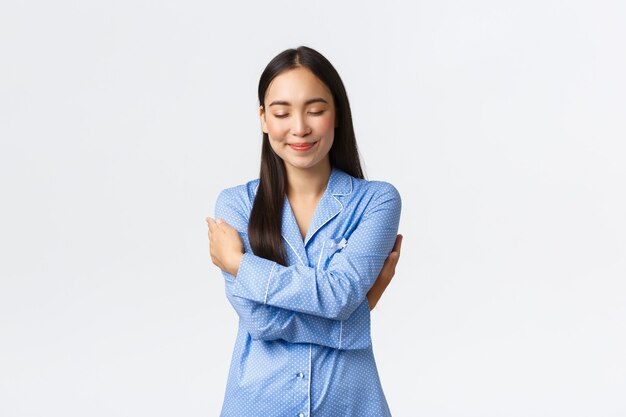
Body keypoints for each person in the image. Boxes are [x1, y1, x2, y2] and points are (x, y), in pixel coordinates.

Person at [206, 46, 403, 417]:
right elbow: (260, 321)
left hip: (350, 405)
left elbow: (341, 296)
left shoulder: (377, 201)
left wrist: (240, 265)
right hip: (257, 405)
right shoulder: (235, 206)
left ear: (337, 114)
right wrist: (357, 312)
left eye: (315, 110)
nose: (299, 127)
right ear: (264, 119)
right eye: (282, 112)